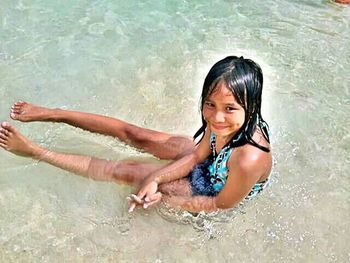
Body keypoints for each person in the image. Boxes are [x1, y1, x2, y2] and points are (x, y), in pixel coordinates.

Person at [0, 56, 272, 213]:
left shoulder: (249, 158)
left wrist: (160, 196)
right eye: (209, 104)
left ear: (250, 108)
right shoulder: (225, 123)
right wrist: (156, 177)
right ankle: (56, 114)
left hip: (217, 188)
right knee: (135, 134)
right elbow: (198, 155)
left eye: (230, 109)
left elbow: (218, 204)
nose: (216, 117)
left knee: (125, 170)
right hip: (213, 160)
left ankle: (36, 151)